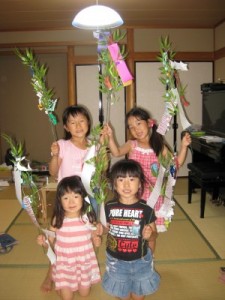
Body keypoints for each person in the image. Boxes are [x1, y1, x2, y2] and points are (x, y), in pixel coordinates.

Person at [102, 107, 191, 232]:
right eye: (131, 127)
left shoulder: (159, 146)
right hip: (134, 193)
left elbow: (175, 165)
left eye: (138, 123)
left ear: (149, 123)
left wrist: (184, 147)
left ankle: (149, 252)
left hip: (153, 195)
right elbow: (116, 152)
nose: (136, 129)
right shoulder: (132, 144)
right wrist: (110, 137)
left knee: (151, 230)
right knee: (134, 228)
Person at [42, 105, 98, 293]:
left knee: (85, 239)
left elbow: (98, 174)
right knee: (61, 241)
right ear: (66, 127)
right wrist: (56, 155)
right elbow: (53, 171)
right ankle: (52, 273)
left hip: (87, 199)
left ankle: (84, 272)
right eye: (72, 123)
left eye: (81, 121)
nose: (78, 125)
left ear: (88, 123)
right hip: (66, 202)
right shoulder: (62, 145)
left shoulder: (94, 146)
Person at [100, 159, 160, 300]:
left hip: (141, 261)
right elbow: (104, 230)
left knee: (138, 296)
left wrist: (150, 235)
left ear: (139, 184)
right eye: (121, 179)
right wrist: (99, 229)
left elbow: (155, 235)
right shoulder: (108, 207)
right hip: (116, 261)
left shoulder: (146, 209)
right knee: (122, 295)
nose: (126, 184)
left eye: (132, 179)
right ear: (114, 184)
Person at [37, 175, 102, 300]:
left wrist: (96, 239)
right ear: (59, 200)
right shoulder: (58, 219)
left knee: (84, 294)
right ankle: (62, 284)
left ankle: (77, 281)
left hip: (83, 262)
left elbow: (94, 234)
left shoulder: (88, 217)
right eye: (66, 198)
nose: (71, 202)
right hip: (65, 263)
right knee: (67, 297)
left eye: (76, 197)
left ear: (83, 198)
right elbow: (49, 240)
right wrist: (43, 241)